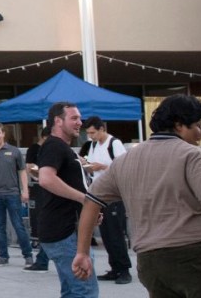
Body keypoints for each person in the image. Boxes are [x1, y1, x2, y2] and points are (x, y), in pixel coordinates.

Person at [73, 95, 201, 296]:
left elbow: (91, 201)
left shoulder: (126, 160)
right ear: (179, 125)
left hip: (150, 263)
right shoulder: (191, 154)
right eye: (198, 125)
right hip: (194, 257)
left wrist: (82, 252)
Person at [36, 102, 99, 298]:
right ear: (58, 121)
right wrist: (85, 200)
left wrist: (89, 210)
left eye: (79, 118)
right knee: (85, 291)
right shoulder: (54, 145)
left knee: (73, 292)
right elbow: (46, 179)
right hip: (64, 233)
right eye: (74, 118)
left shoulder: (62, 148)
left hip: (66, 232)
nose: (80, 122)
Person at [80, 117, 130, 284]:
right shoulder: (93, 145)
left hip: (114, 194)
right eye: (88, 133)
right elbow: (93, 168)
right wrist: (87, 165)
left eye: (93, 133)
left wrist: (101, 166)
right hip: (98, 194)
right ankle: (114, 267)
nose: (91, 136)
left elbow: (123, 167)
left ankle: (124, 269)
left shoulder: (114, 143)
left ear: (102, 129)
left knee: (116, 232)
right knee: (106, 233)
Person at [0, 123, 33, 267]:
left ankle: (28, 256)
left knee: (18, 225)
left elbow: (22, 171)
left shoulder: (14, 151)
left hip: (12, 194)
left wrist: (25, 190)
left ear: (3, 134)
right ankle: (3, 256)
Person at [23, 126, 52, 272]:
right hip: (41, 186)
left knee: (49, 225)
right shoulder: (35, 149)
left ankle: (43, 260)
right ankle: (42, 259)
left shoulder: (54, 149)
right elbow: (29, 167)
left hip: (53, 187)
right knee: (45, 223)